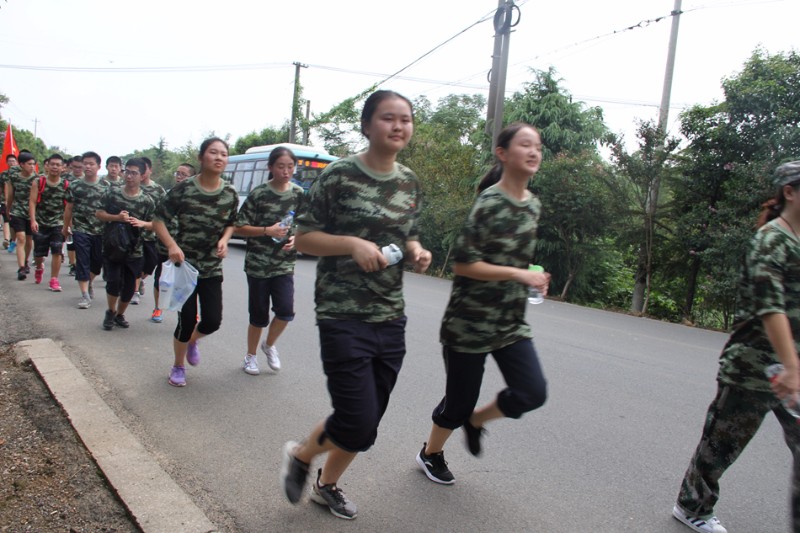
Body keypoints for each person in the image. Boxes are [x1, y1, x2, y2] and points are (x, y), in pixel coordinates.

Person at [280, 90, 432, 520]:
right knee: (357, 417)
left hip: (390, 314)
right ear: (367, 126)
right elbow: (304, 238)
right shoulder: (340, 175)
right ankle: (303, 455)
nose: (398, 126)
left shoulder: (409, 181)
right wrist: (351, 244)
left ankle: (327, 485)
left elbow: (409, 234)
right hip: (342, 312)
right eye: (388, 118)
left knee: (366, 424)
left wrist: (418, 252)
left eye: (405, 119)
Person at [414, 122, 549, 487]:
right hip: (468, 323)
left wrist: (533, 274)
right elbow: (463, 264)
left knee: (533, 392)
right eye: (525, 144)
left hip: (510, 323)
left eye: (537, 145)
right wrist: (518, 276)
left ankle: (478, 421)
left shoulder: (533, 205)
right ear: (503, 154)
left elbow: (515, 260)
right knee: (457, 404)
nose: (534, 151)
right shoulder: (489, 203)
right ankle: (430, 453)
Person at [672, 160, 800, 533]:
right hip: (753, 367)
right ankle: (692, 506)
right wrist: (790, 367)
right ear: (789, 192)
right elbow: (769, 305)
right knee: (722, 444)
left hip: (793, 367)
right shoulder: (772, 239)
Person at [152, 138, 238, 388]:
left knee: (212, 321)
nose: (219, 157)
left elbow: (232, 222)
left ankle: (192, 341)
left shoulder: (230, 192)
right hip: (185, 267)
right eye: (213, 152)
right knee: (186, 319)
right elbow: (159, 219)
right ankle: (178, 366)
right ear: (202, 158)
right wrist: (172, 245)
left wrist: (225, 239)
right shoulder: (184, 189)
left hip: (212, 267)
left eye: (224, 154)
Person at [234, 146, 305, 375]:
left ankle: (269, 345)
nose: (286, 171)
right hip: (258, 265)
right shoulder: (259, 194)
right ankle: (250, 356)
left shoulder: (298, 194)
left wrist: (295, 239)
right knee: (258, 316)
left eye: (290, 167)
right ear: (271, 168)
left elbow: (307, 223)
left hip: (284, 263)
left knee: (285, 311)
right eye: (281, 166)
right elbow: (239, 227)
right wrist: (267, 230)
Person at [96, 158, 155, 331]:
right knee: (113, 281)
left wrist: (142, 223)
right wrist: (116, 218)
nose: (129, 176)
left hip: (134, 249)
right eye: (127, 171)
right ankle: (110, 311)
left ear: (143, 175)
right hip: (113, 246)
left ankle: (120, 314)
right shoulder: (112, 193)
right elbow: (99, 213)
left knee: (129, 288)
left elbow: (156, 223)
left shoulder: (147, 200)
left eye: (134, 173)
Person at [150, 162, 195, 323]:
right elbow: (157, 219)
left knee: (188, 282)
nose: (179, 177)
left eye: (183, 174)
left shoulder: (195, 198)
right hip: (165, 246)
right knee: (161, 279)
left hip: (187, 248)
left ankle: (190, 311)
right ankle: (158, 308)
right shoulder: (167, 196)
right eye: (177, 173)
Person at [63, 151, 109, 308]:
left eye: (91, 164)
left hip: (100, 231)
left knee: (97, 263)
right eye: (85, 163)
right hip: (81, 229)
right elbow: (69, 208)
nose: (87, 166)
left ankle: (89, 281)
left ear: (98, 166)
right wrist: (66, 227)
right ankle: (84, 295)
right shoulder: (75, 186)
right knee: (82, 261)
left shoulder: (106, 186)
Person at [29, 153, 69, 291]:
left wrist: (67, 225)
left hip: (58, 222)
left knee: (57, 250)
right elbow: (32, 202)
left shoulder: (65, 184)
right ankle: (39, 267)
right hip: (41, 222)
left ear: (63, 168)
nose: (55, 167)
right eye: (52, 164)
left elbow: (67, 207)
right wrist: (33, 220)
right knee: (39, 253)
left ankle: (54, 279)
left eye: (58, 165)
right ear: (47, 166)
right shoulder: (38, 182)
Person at [131, 156, 166, 306]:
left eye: (144, 168)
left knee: (150, 265)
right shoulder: (131, 186)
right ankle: (134, 290)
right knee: (136, 263)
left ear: (149, 170)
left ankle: (139, 280)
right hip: (133, 234)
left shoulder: (158, 190)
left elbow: (165, 212)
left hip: (152, 235)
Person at [5, 152, 38, 280]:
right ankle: (21, 267)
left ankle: (25, 261)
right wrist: (8, 209)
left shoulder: (37, 178)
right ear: (22, 164)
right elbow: (11, 194)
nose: (32, 167)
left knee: (29, 240)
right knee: (21, 238)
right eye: (29, 164)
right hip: (18, 210)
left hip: (32, 212)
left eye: (33, 164)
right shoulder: (14, 177)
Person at [1, 153, 18, 250]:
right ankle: (7, 239)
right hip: (5, 201)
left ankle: (13, 239)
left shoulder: (19, 175)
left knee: (14, 223)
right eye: (10, 161)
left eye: (13, 161)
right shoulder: (3, 175)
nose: (11, 163)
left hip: (18, 203)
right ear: (7, 162)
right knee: (6, 220)